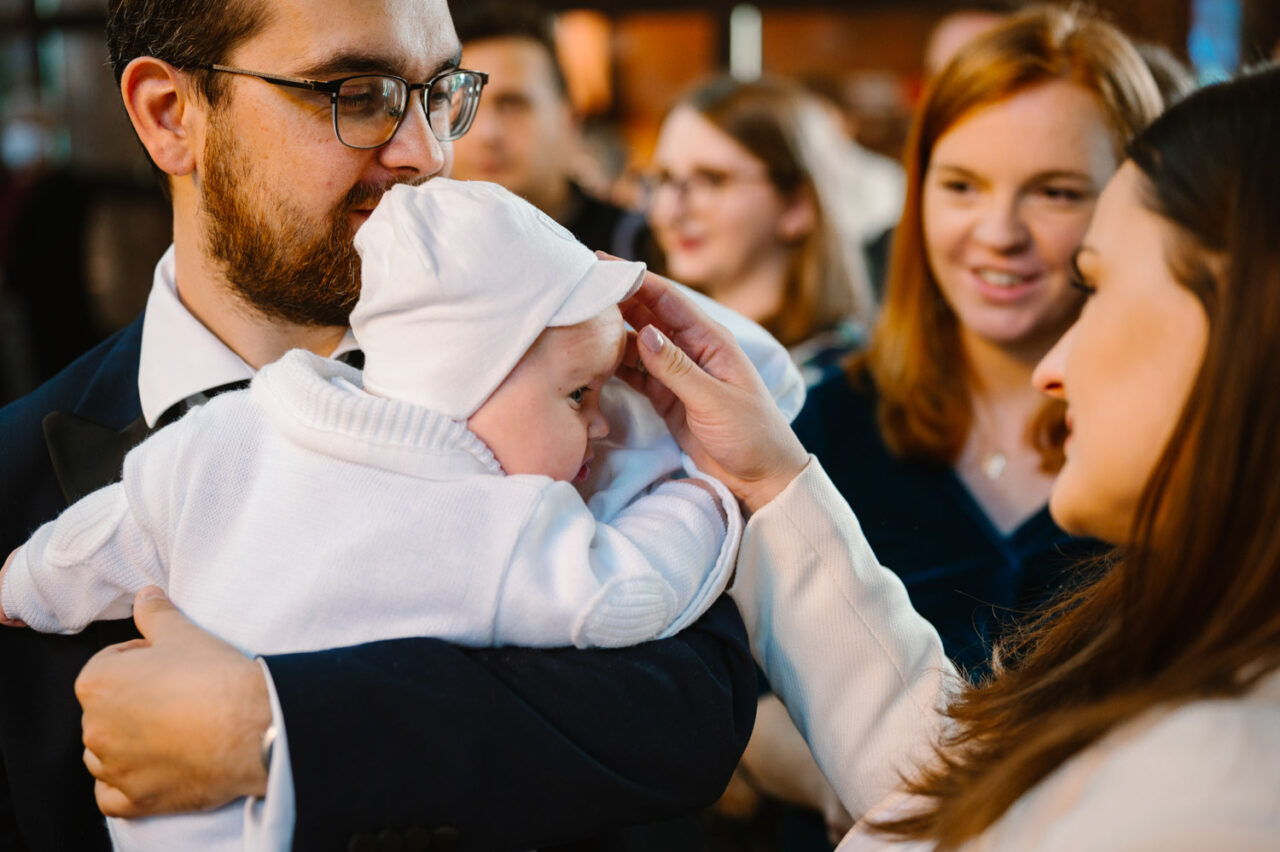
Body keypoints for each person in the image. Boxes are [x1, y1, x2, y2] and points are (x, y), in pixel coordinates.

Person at [0, 1, 799, 849]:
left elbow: (693, 713)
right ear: (171, 116)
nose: (429, 154)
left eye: (439, 91)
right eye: (358, 90)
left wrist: (280, 729)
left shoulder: (564, 376)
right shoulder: (15, 482)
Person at [621, 62, 1280, 848]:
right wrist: (770, 477)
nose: (1054, 371)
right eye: (960, 184)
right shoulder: (1199, 642)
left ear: (1244, 324)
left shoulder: (1225, 786)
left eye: (1100, 287)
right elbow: (958, 790)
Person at [740, 7, 1163, 847]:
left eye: (1055, 192)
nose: (997, 234)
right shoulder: (821, 422)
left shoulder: (1173, 451)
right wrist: (828, 770)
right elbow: (728, 693)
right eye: (961, 185)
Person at [647, 74, 874, 386]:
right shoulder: (650, 353)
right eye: (664, 178)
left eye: (712, 179)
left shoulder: (843, 381)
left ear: (797, 204)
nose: (669, 211)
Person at [449, 0, 662, 266]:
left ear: (570, 122)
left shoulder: (640, 251)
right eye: (464, 105)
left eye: (513, 106)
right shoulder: (422, 251)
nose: (487, 133)